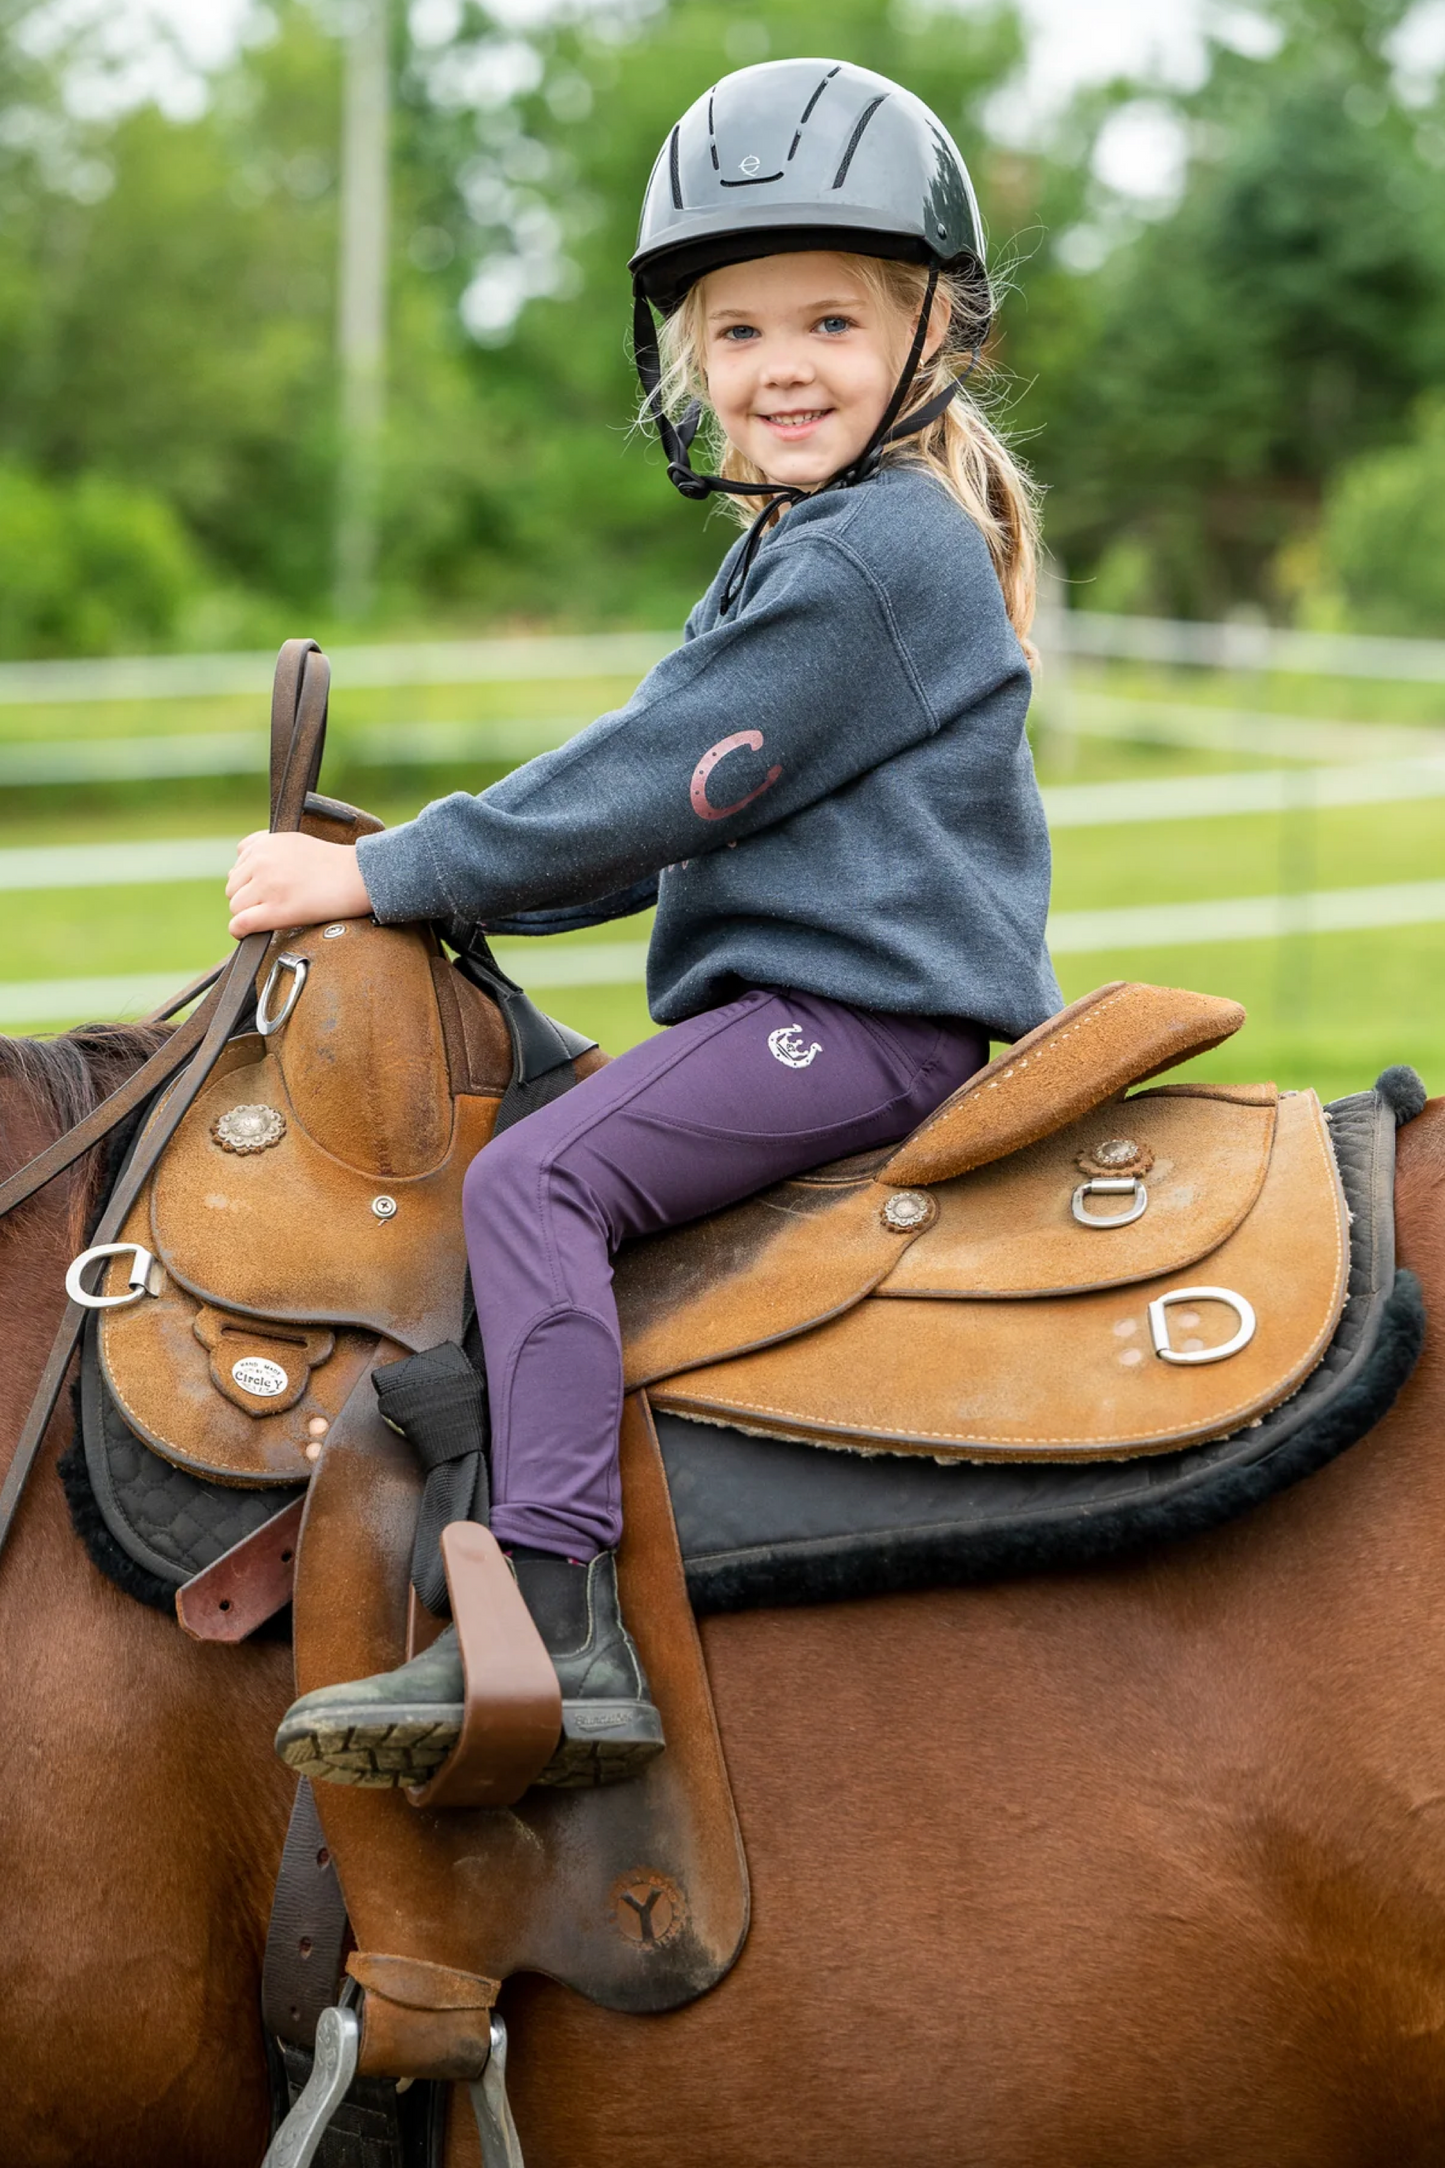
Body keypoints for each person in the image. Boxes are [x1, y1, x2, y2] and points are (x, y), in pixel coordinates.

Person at [241, 57, 1063, 1793]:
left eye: (834, 323)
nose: (785, 371)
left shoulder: (870, 553)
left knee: (535, 1180)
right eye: (744, 331)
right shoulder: (799, 541)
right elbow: (650, 825)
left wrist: (382, 879)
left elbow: (647, 783)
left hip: (860, 1023)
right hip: (795, 1006)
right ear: (689, 358)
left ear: (933, 339)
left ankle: (554, 1618)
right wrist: (444, 869)